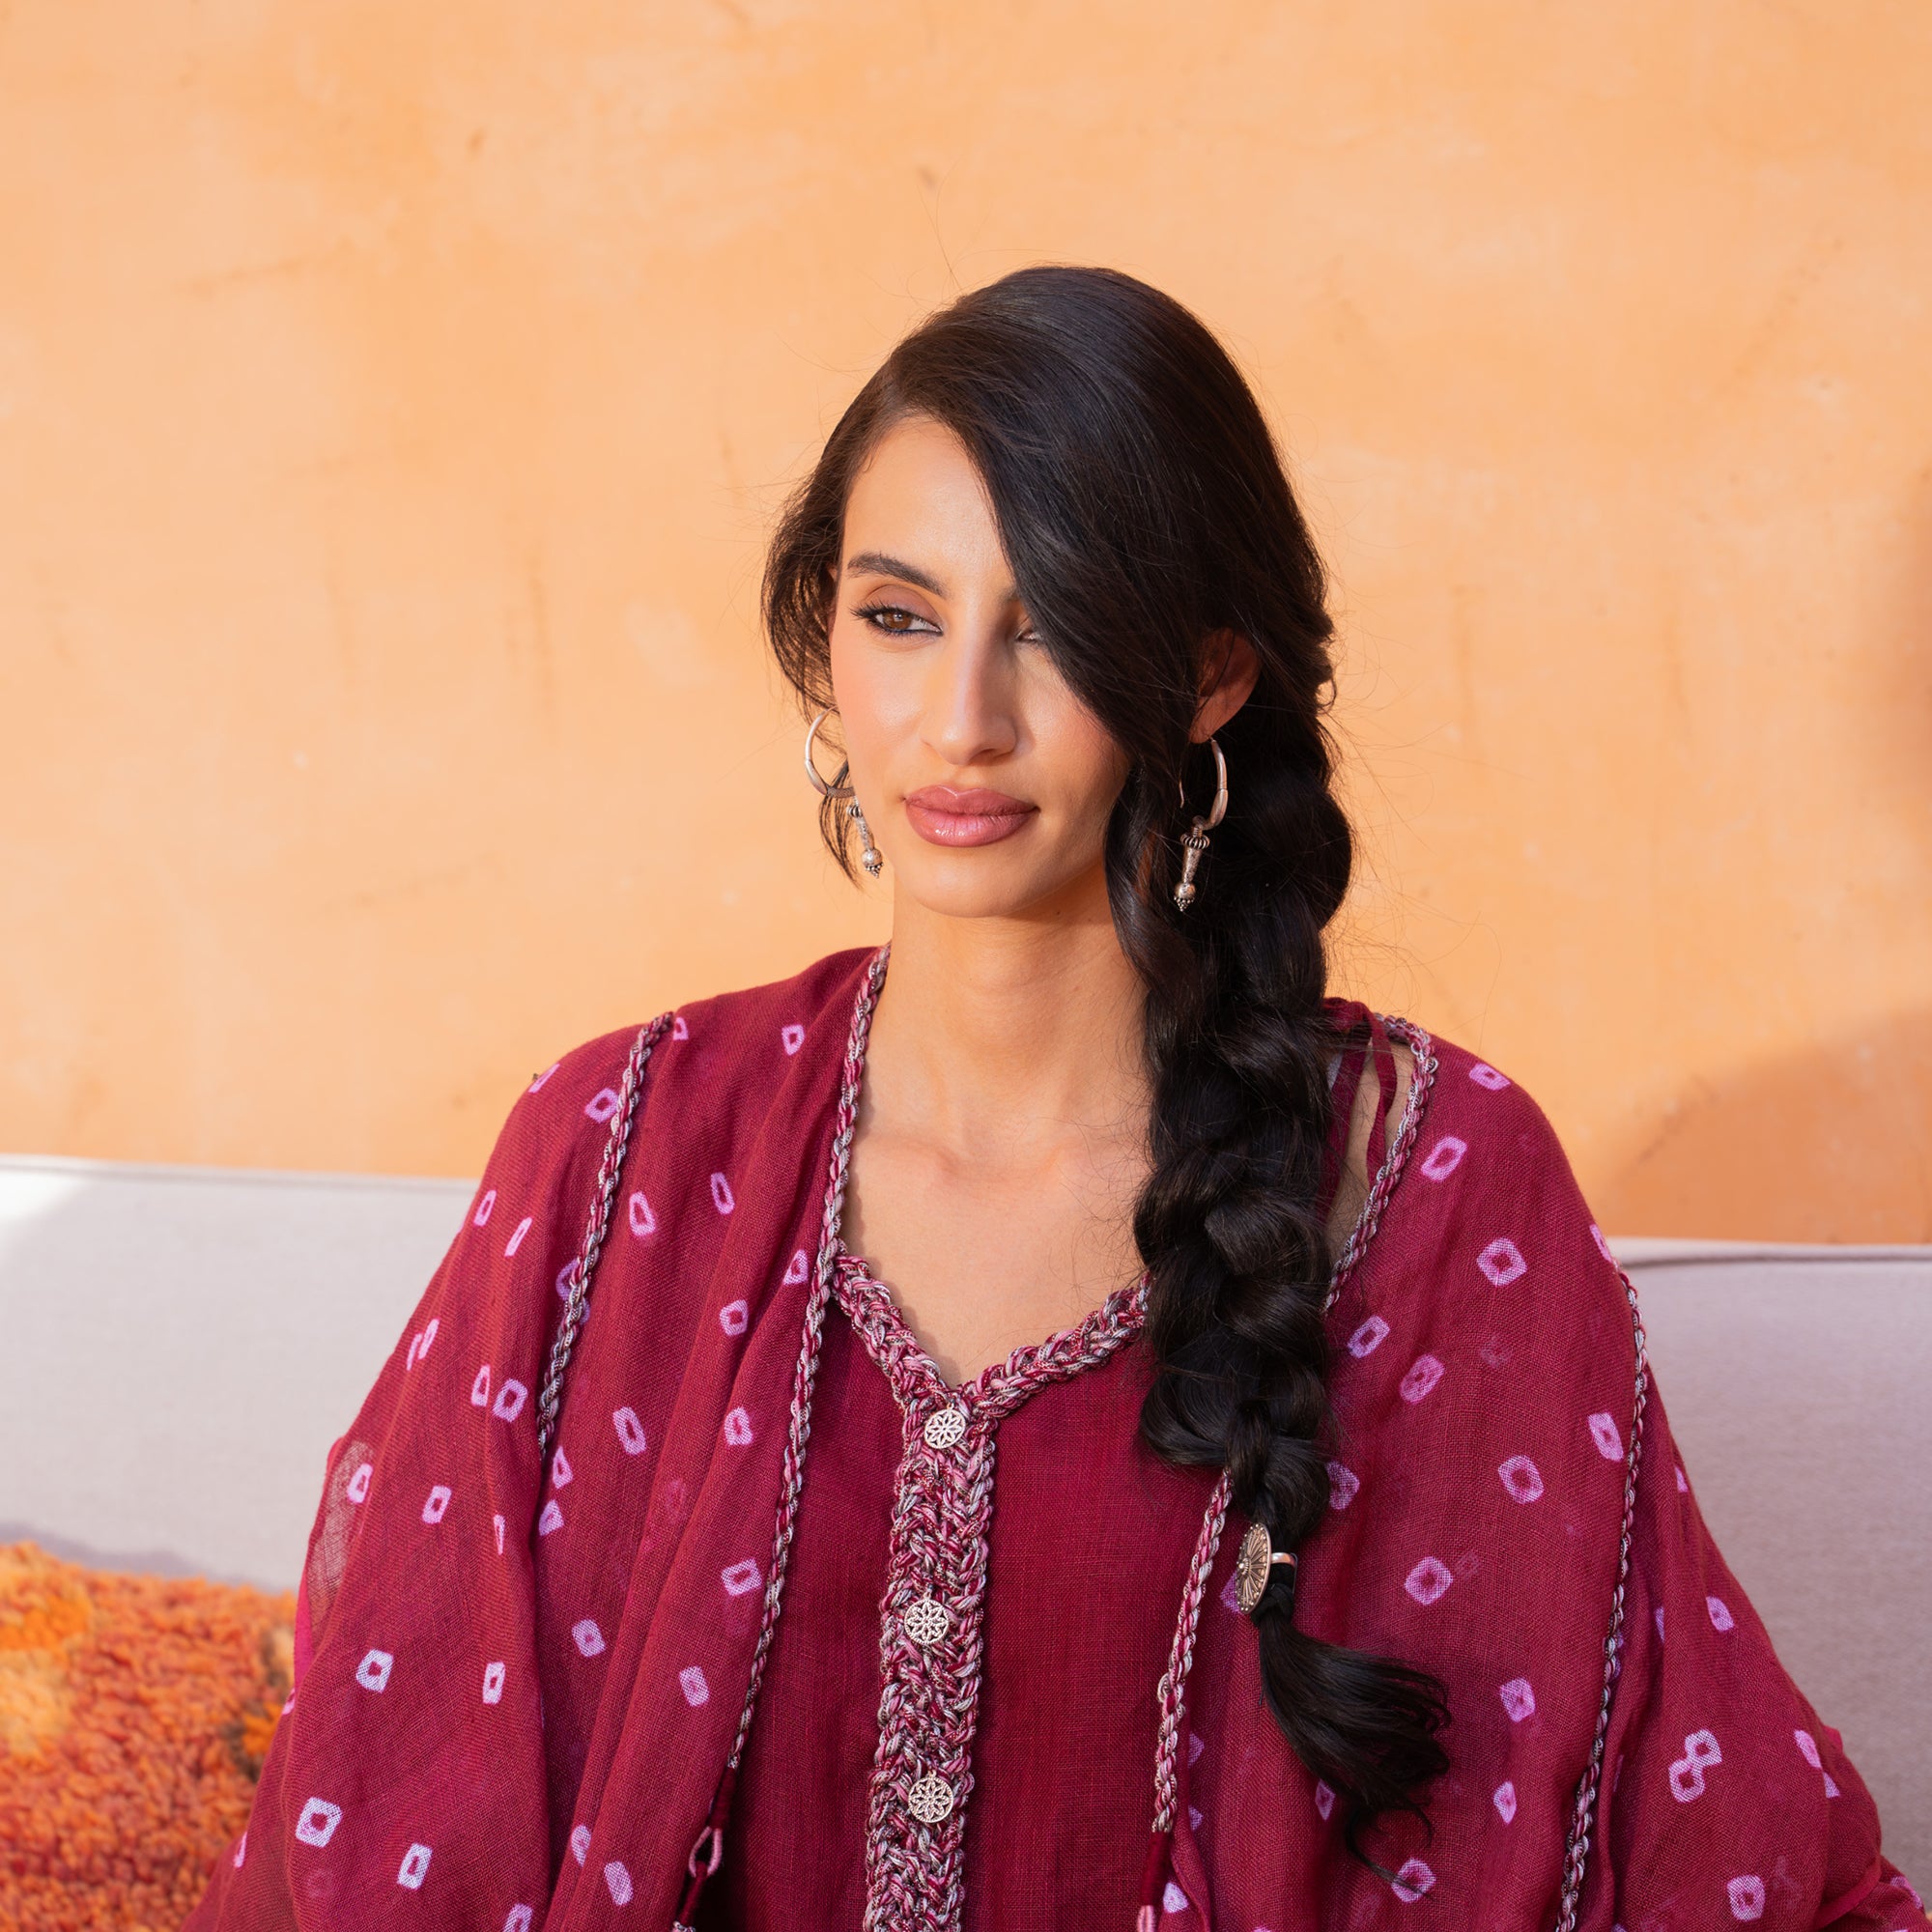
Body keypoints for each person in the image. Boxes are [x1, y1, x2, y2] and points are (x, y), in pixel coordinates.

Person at [185, 268, 1919, 1932]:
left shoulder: (1437, 1190)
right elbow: (379, 1811)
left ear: (1212, 679)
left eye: (1057, 630)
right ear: (826, 651)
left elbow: (1698, 1847)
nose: (960, 722)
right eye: (898, 616)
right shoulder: (625, 1156)